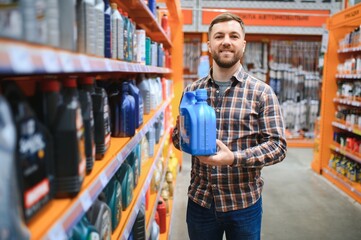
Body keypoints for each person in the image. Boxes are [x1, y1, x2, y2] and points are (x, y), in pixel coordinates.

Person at [172, 12, 287, 240]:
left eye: (234, 36)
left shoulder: (262, 93)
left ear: (243, 45)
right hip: (201, 201)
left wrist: (234, 158)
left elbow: (278, 146)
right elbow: (178, 138)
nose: (226, 41)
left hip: (243, 204)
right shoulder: (192, 92)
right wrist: (183, 137)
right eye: (219, 36)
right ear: (209, 44)